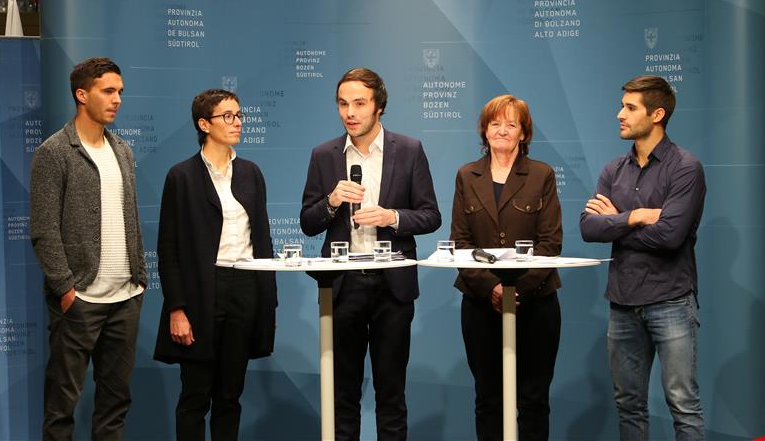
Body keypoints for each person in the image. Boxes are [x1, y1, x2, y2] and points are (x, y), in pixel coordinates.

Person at [300, 67, 441, 440]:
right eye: (343, 104)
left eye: (359, 103)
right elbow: (308, 222)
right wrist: (331, 202)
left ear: (379, 106)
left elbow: (431, 216)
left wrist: (391, 217)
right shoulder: (323, 155)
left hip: (392, 289)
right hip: (342, 287)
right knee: (342, 394)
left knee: (391, 394)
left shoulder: (409, 150)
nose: (350, 112)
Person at [580, 75, 706, 440]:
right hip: (622, 302)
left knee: (683, 404)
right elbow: (588, 228)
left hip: (671, 301)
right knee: (629, 406)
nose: (620, 114)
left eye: (630, 108)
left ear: (657, 115)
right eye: (623, 106)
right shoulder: (613, 170)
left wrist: (615, 222)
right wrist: (634, 216)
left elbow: (670, 237)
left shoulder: (685, 167)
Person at [30, 57, 146, 440]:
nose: (117, 100)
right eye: (108, 91)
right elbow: (44, 229)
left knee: (115, 406)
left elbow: (131, 219)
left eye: (120, 92)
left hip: (125, 299)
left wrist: (139, 281)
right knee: (61, 408)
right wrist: (66, 289)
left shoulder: (123, 151)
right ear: (82, 95)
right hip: (79, 300)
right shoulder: (54, 152)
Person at [152, 88, 277, 440]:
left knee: (229, 396)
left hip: (245, 288)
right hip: (201, 293)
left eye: (239, 115)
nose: (237, 122)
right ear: (204, 124)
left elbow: (263, 240)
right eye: (227, 116)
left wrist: (269, 303)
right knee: (195, 396)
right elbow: (168, 248)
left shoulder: (251, 173)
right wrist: (177, 308)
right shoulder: (181, 176)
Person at [450, 94, 563, 440]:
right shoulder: (467, 175)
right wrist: (493, 288)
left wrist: (517, 290)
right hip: (480, 303)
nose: (502, 130)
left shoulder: (541, 174)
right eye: (495, 123)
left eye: (511, 124)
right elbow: (460, 243)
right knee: (488, 400)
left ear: (523, 133)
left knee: (533, 400)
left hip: (536, 302)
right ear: (484, 130)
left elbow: (550, 243)